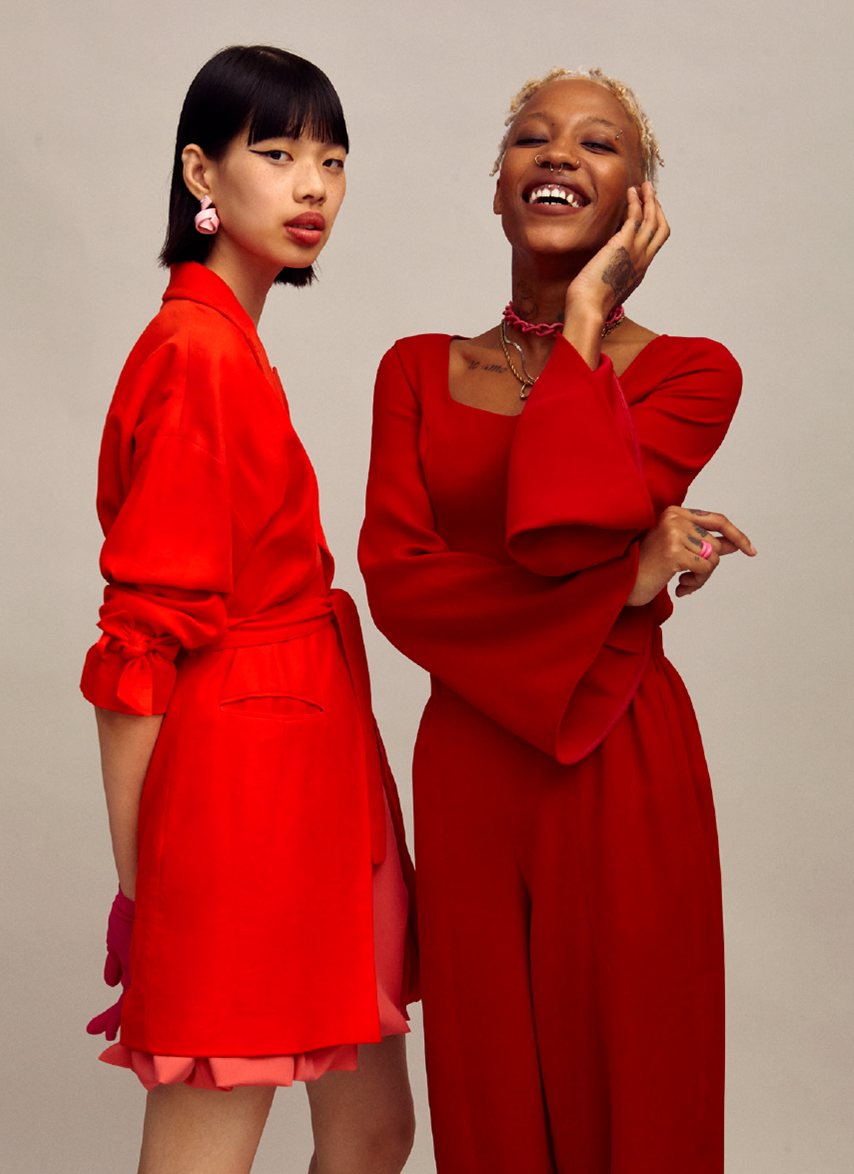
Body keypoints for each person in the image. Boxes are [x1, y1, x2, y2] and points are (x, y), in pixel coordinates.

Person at [359, 67, 756, 1174]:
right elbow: (400, 584)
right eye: (532, 138)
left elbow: (553, 521)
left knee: (637, 1070)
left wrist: (583, 317)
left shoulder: (692, 374)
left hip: (618, 746)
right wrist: (622, 584)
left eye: (598, 143)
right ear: (497, 187)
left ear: (637, 199)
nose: (559, 154)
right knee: (488, 1085)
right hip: (470, 760)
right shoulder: (415, 372)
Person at [81, 45, 416, 1174]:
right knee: (206, 1149)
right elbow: (135, 654)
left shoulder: (229, 342)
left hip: (311, 783)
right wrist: (144, 892)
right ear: (201, 174)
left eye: (333, 159)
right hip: (242, 802)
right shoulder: (196, 355)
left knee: (373, 1131)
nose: (312, 185)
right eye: (275, 154)